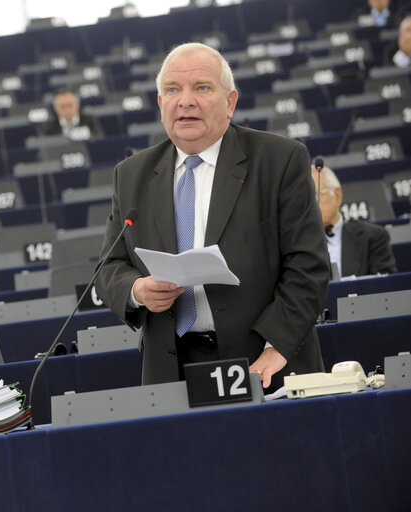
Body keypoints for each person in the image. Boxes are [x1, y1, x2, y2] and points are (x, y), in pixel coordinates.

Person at [95, 42, 330, 391]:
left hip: (265, 362)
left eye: (201, 88)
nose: (185, 101)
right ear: (161, 104)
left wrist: (275, 349)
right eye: (172, 90)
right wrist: (137, 289)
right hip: (172, 370)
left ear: (230, 102)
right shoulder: (130, 175)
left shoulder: (280, 160)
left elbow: (308, 265)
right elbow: (109, 268)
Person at [311, 165, 397, 277]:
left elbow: (386, 288)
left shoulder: (373, 237)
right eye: (304, 199)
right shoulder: (294, 244)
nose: (310, 205)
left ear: (337, 196)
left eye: (316, 196)